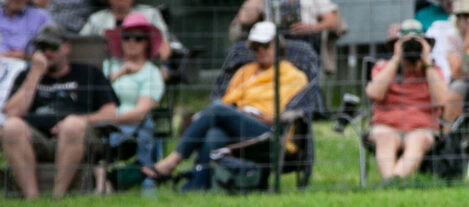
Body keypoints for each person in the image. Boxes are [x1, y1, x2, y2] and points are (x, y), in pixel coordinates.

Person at [142, 22, 308, 189]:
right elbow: (229, 100)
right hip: (238, 122)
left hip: (269, 131)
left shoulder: (294, 76)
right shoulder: (245, 72)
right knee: (215, 134)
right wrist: (239, 112)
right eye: (255, 47)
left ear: (279, 46)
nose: (261, 51)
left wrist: (265, 117)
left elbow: (294, 114)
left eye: (265, 45)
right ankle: (194, 190)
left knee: (216, 109)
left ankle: (172, 161)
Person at [2, 22, 117, 198]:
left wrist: (78, 121)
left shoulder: (88, 73)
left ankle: (58, 196)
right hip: (37, 139)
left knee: (72, 125)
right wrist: (35, 73)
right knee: (11, 127)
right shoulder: (27, 75)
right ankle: (32, 200)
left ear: (67, 47)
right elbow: (11, 113)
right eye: (42, 47)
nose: (48, 52)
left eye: (53, 46)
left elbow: (110, 113)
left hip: (78, 137)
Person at [365, 19, 446, 184]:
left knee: (417, 140)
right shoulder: (383, 67)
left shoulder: (434, 70)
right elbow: (374, 93)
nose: (411, 49)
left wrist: (426, 62)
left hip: (422, 128)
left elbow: (441, 101)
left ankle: (393, 181)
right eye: (406, 44)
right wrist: (396, 59)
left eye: (416, 44)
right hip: (386, 125)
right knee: (385, 137)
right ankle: (391, 181)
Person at [96, 11, 164, 188]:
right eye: (127, 37)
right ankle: (101, 183)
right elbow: (96, 95)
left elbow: (141, 112)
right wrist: (121, 73)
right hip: (101, 121)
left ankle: (143, 178)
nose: (131, 42)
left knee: (145, 124)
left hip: (131, 125)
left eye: (138, 38)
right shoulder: (108, 67)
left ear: (147, 42)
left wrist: (109, 120)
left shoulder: (152, 72)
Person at [229, 0, 344, 56]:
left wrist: (312, 27)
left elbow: (333, 22)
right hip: (270, 43)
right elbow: (245, 19)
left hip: (305, 41)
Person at [79, 0, 170, 61]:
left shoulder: (150, 13)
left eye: (138, 38)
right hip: (105, 67)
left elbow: (164, 46)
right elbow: (81, 46)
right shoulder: (96, 19)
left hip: (143, 66)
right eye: (127, 37)